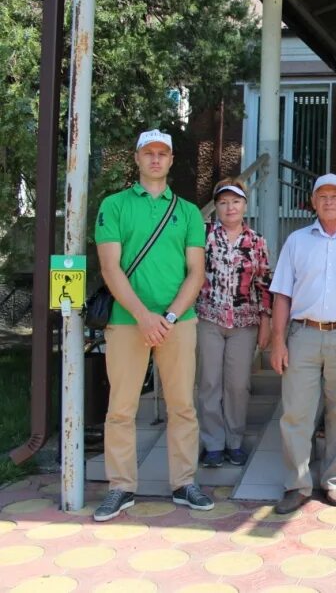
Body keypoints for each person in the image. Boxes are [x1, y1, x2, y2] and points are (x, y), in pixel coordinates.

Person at [93, 129, 213, 521]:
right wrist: (144, 317)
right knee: (121, 409)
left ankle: (184, 483)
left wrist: (170, 317)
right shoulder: (114, 206)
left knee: (182, 407)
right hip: (128, 322)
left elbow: (196, 273)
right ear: (137, 158)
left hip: (179, 323)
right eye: (149, 153)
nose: (156, 159)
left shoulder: (189, 212)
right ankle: (121, 487)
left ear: (172, 159)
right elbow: (110, 267)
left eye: (163, 153)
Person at [269, 173, 336, 514]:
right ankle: (298, 484)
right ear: (314, 203)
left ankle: (333, 481)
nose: (330, 201)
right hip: (302, 334)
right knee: (297, 413)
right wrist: (278, 341)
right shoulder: (297, 241)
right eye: (323, 196)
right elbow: (282, 295)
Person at [196, 178, 272, 468]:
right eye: (224, 202)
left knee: (238, 385)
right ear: (216, 206)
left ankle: (234, 441)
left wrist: (266, 321)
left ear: (245, 205)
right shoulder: (204, 236)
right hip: (209, 317)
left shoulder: (256, 241)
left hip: (245, 321)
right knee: (209, 382)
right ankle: (213, 444)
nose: (230, 207)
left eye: (236, 201)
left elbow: (264, 283)